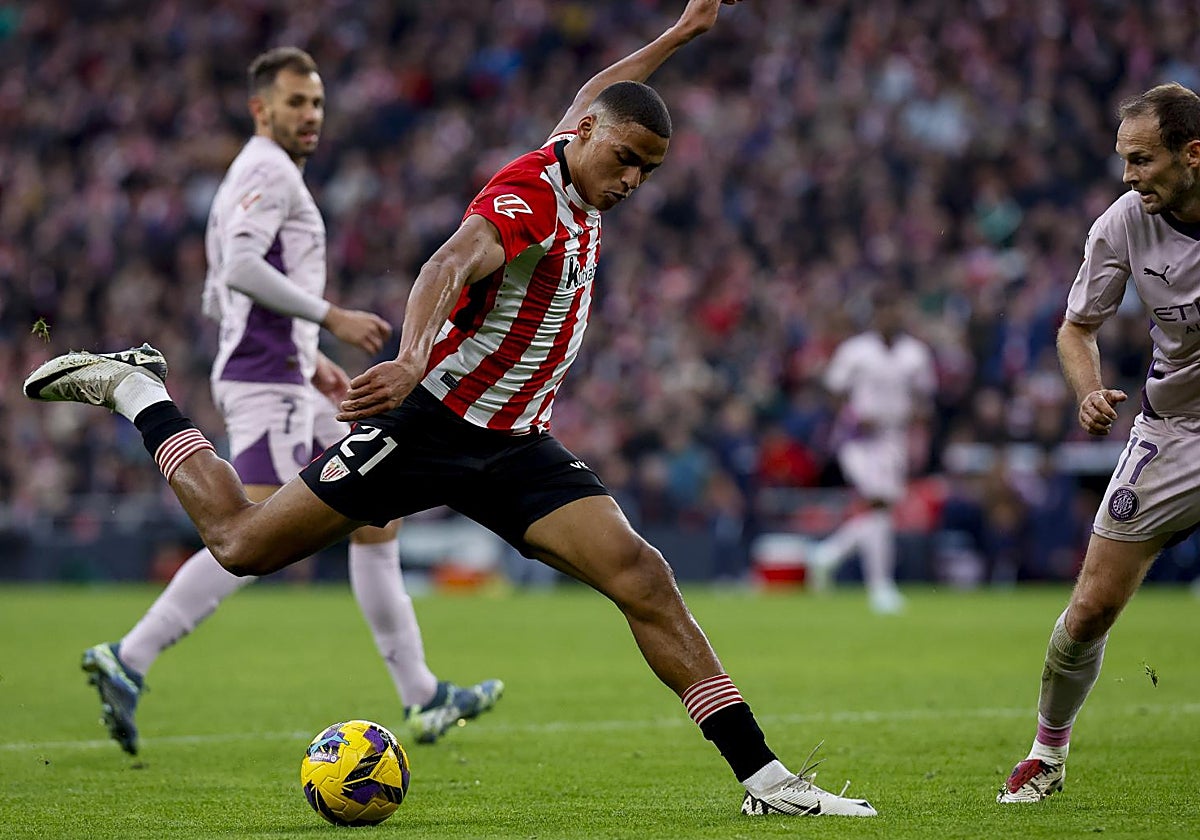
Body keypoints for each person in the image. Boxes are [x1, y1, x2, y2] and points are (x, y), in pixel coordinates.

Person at [25, 0, 876, 817]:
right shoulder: (530, 194)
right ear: (585, 141)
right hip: (428, 427)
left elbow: (598, 90)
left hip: (512, 447)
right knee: (240, 543)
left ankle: (764, 776)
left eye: (647, 170)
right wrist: (408, 358)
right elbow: (448, 263)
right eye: (624, 160)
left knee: (645, 578)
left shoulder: (578, 149)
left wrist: (685, 31)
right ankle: (137, 389)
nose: (632, 181)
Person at [77, 46, 502, 757]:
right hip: (264, 380)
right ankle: (132, 655)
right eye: (296, 103)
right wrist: (330, 318)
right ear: (260, 109)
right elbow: (239, 270)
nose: (311, 116)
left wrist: (315, 362)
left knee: (377, 517)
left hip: (285, 374)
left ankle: (423, 696)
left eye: (317, 104)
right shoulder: (266, 171)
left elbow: (229, 285)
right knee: (252, 533)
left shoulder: (264, 175)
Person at [998, 81, 1200, 803]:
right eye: (1124, 158)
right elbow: (1077, 327)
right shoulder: (1121, 224)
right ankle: (1046, 754)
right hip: (1177, 430)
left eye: (1142, 159)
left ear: (1193, 155)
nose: (1128, 175)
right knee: (1089, 608)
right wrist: (1086, 390)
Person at [806, 288, 937, 614]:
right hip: (858, 441)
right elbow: (834, 390)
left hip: (895, 439)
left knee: (881, 510)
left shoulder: (915, 354)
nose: (889, 316)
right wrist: (851, 416)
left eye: (894, 309)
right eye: (883, 310)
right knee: (878, 503)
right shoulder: (856, 351)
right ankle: (880, 587)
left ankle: (827, 555)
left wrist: (919, 418)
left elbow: (925, 398)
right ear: (875, 314)